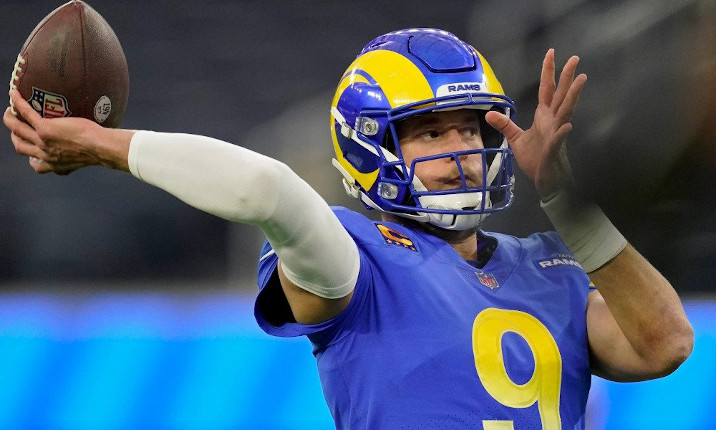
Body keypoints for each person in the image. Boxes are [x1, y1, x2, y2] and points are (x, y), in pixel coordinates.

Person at [4, 28, 693, 429]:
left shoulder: (550, 262)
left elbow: (665, 343)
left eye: (468, 128)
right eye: (430, 132)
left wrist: (569, 203)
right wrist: (104, 144)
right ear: (370, 147)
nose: (460, 151)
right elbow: (267, 189)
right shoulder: (357, 257)